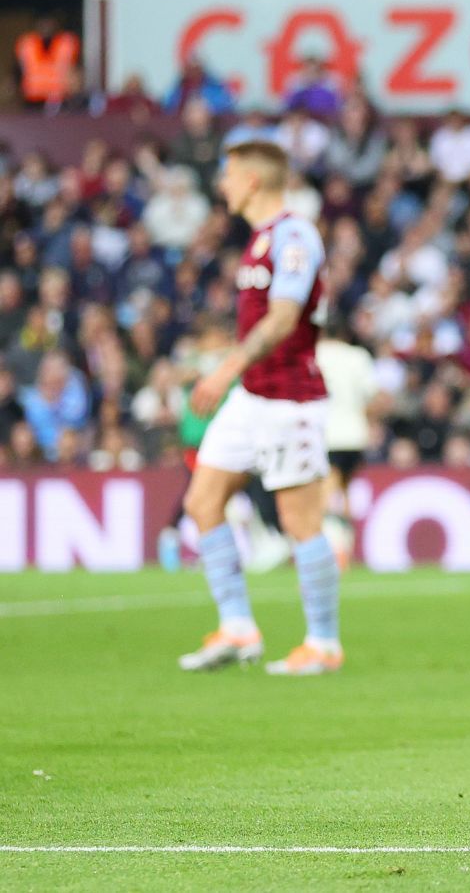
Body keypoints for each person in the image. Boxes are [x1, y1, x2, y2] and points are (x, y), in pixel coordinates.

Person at [177, 141, 341, 676]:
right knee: (203, 500)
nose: (221, 185)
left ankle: (322, 643)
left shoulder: (294, 235)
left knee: (300, 522)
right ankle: (237, 627)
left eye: (227, 175)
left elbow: (282, 317)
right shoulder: (261, 239)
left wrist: (224, 368)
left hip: (289, 399)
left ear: (251, 181)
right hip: (252, 396)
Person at [314, 319, 376, 569]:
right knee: (346, 494)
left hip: (326, 435)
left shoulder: (315, 354)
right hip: (354, 434)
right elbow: (371, 394)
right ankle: (347, 551)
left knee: (325, 496)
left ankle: (328, 552)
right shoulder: (358, 356)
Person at [15, 14, 79, 108]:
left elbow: (73, 69)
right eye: (43, 24)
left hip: (59, 95)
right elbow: (20, 69)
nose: (46, 28)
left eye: (49, 24)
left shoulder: (66, 42)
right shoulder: (27, 43)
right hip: (33, 95)